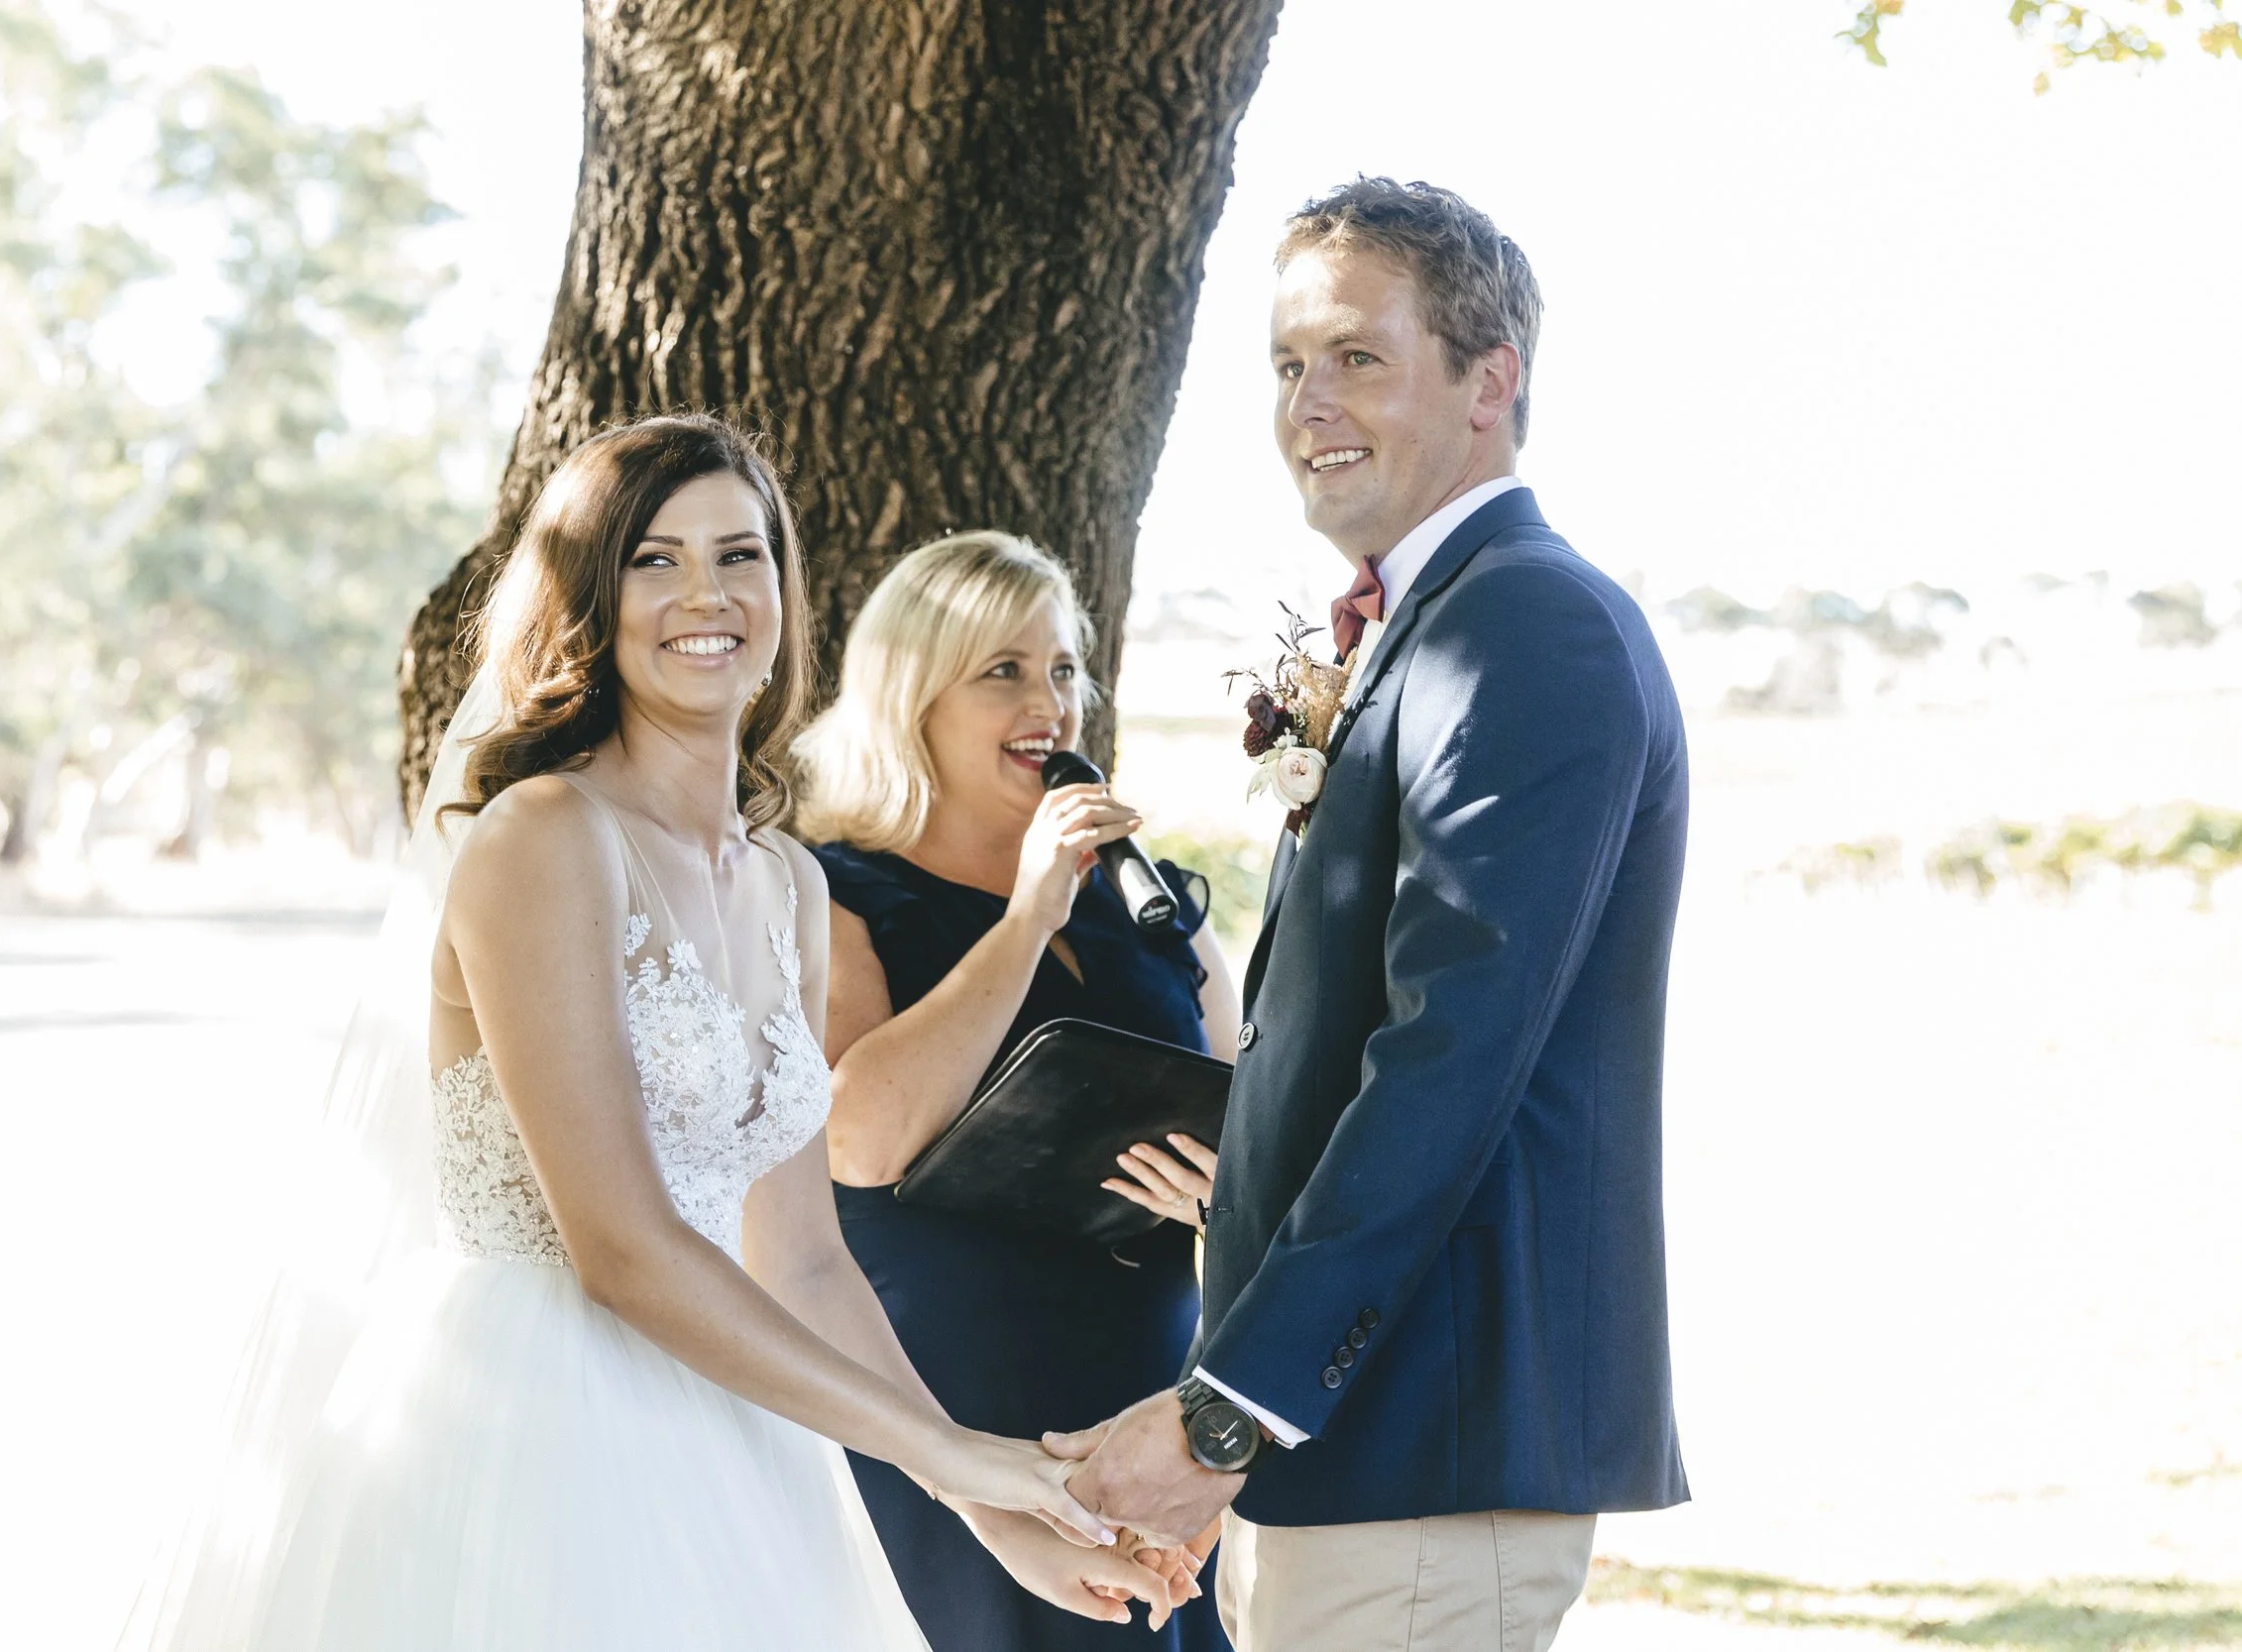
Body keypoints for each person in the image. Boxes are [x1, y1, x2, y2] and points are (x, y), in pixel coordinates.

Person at [123, 417, 1177, 1652]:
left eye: (740, 555)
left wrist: (988, 1511)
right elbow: (619, 1248)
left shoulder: (787, 881)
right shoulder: (542, 838)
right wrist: (952, 1446)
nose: (706, 594)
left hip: (738, 1439)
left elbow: (803, 1262)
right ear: (591, 597)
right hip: (528, 1439)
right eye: (653, 560)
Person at [1046, 179, 1693, 1650]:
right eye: (1286, 365)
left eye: (1355, 356)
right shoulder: (1436, 621)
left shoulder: (1523, 625)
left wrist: (1225, 1409)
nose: (1307, 404)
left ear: (1491, 380)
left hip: (1432, 1426)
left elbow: (1449, 1059)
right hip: (1365, 1443)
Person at [794, 531, 1241, 1652]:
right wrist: (1027, 915)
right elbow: (862, 1138)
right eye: (1004, 669)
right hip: (948, 1408)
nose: (1048, 700)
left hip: (1139, 1403)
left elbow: (1252, 1114)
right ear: (912, 699)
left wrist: (1233, 1192)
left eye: (1061, 669)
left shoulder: (1153, 909)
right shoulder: (837, 894)